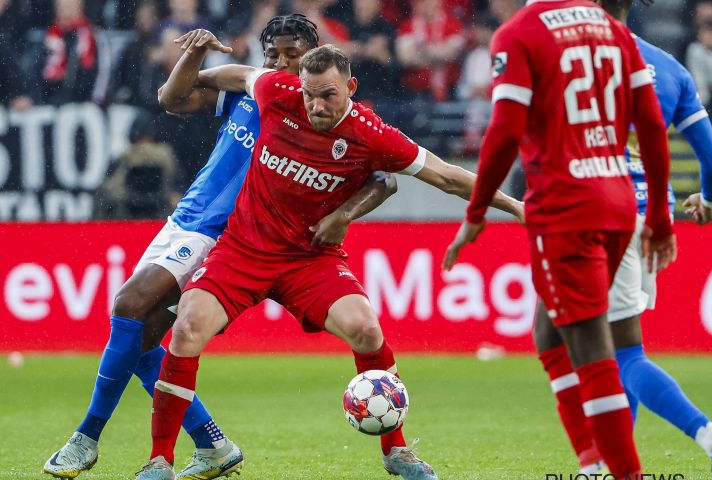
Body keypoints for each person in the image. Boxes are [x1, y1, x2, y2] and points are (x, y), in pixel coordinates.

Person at [134, 33, 523, 480]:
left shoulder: (373, 133)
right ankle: (159, 460)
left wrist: (515, 207)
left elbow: (448, 177)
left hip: (309, 259)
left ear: (351, 90)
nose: (316, 106)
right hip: (243, 251)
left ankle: (396, 453)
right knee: (185, 328)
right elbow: (240, 74)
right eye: (310, 94)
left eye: (327, 97)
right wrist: (199, 75)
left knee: (365, 327)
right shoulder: (277, 90)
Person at [44, 14, 400, 480]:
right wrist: (194, 53)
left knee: (130, 306)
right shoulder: (253, 89)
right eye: (272, 54)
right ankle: (212, 443)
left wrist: (343, 215)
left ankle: (87, 436)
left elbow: (384, 176)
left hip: (228, 232)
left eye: (292, 56)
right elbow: (171, 99)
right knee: (141, 335)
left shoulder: (328, 112)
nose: (281, 63)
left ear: (314, 57)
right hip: (188, 216)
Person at [443, 0, 677, 477]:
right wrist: (656, 214)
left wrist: (476, 208)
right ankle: (591, 463)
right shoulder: (611, 29)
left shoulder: (519, 32)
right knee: (550, 334)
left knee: (592, 350)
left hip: (567, 208)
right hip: (616, 202)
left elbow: (505, 128)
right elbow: (651, 125)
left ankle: (623, 473)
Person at [529, 0, 712, 474]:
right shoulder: (670, 67)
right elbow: (707, 151)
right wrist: (707, 200)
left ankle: (702, 431)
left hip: (593, 206)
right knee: (614, 347)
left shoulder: (574, 57)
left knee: (618, 352)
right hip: (648, 209)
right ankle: (608, 464)